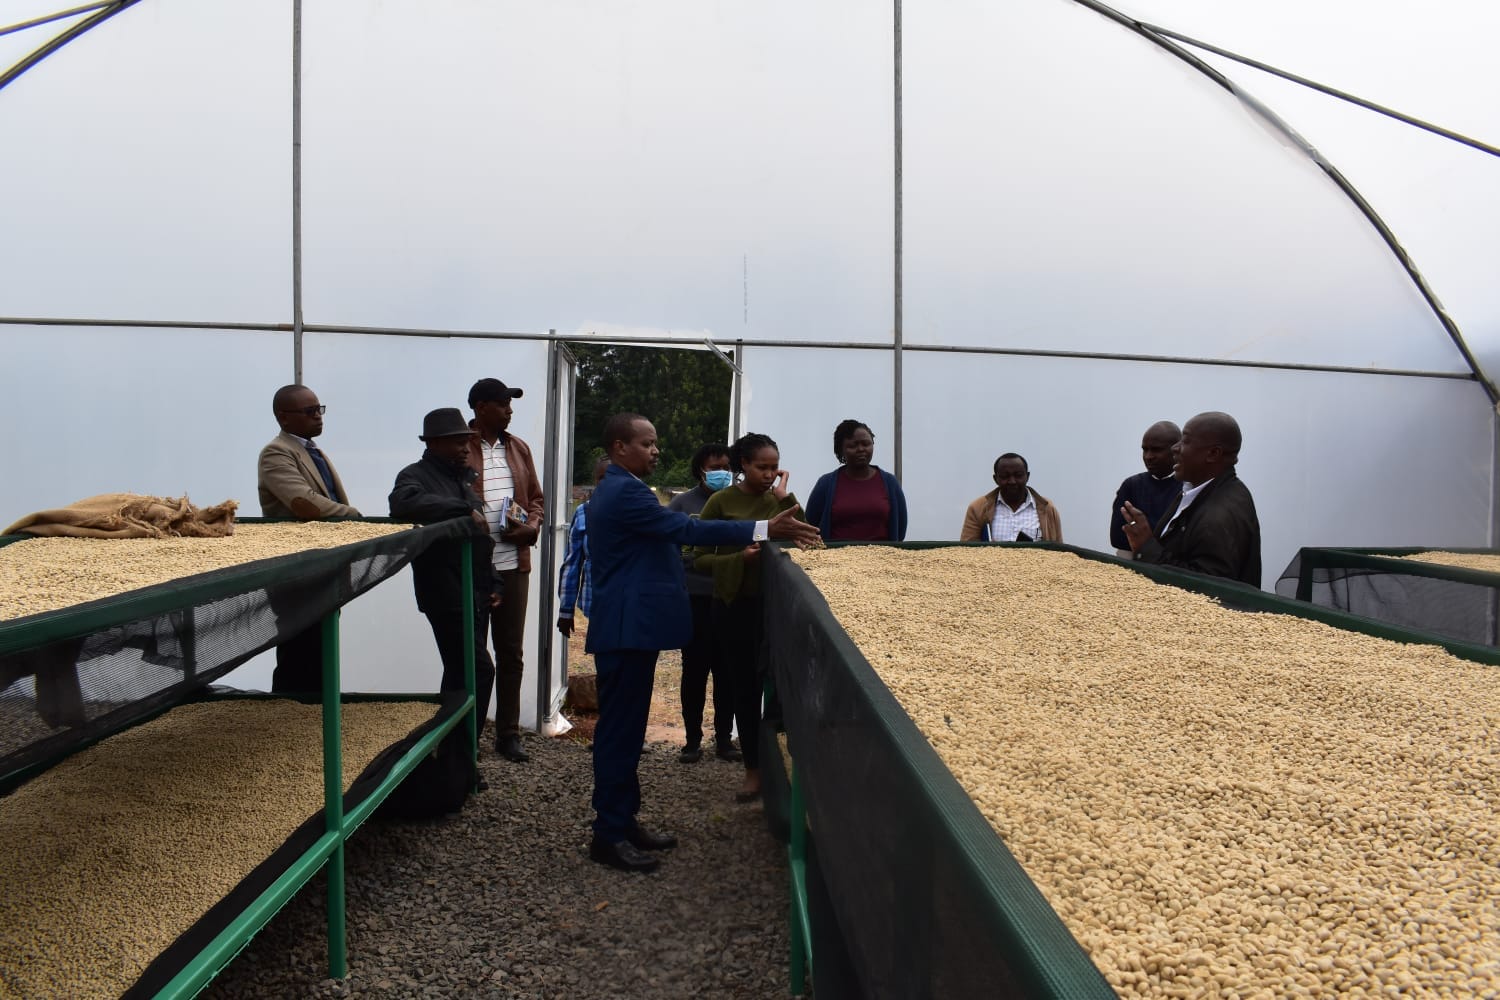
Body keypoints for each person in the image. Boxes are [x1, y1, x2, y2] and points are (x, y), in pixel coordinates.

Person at [586, 414, 820, 873]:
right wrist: (763, 528)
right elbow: (688, 531)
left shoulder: (621, 487)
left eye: (656, 443)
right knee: (619, 733)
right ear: (619, 448)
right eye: (647, 444)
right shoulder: (626, 491)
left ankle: (623, 820)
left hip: (631, 627)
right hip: (626, 628)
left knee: (629, 731)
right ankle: (608, 834)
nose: (656, 451)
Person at [692, 432, 805, 804]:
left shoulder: (779, 501)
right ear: (743, 465)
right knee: (744, 688)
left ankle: (783, 768)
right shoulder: (721, 502)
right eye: (762, 467)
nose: (769, 474)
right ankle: (753, 770)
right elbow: (695, 557)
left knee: (783, 688)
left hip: (777, 611)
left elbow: (808, 539)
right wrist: (738, 560)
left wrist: (785, 497)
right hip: (734, 608)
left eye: (775, 467)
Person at [388, 408, 502, 745]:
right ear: (434, 443)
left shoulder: (462, 477)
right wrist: (461, 510)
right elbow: (402, 503)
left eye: (467, 441)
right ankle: (462, 752)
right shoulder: (415, 476)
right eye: (458, 442)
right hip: (446, 592)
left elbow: (479, 538)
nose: (467, 448)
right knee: (480, 671)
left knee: (459, 676)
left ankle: (449, 757)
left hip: (475, 590)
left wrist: (495, 581)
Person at [257, 384, 361, 693]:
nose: (318, 417)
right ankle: (289, 720)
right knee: (298, 654)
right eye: (309, 411)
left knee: (319, 650)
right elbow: (303, 502)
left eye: (319, 409)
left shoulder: (310, 450)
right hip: (297, 572)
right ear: (284, 418)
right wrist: (354, 516)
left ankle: (315, 720)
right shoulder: (277, 453)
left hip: (322, 567)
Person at [465, 378, 544, 764]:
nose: (509, 410)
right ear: (480, 407)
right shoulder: (459, 447)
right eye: (501, 403)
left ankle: (508, 734)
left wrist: (531, 526)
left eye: (510, 404)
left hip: (514, 565)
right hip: (475, 568)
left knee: (511, 652)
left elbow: (537, 500)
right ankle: (469, 734)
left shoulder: (518, 448)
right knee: (475, 655)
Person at [1121, 411, 1262, 587]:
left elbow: (1208, 591)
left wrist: (1146, 548)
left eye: (1185, 441)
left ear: (1213, 454)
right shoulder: (1195, 489)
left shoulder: (1220, 515)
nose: (1175, 448)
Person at [667, 443, 737, 764]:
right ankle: (692, 740)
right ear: (701, 470)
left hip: (731, 597)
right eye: (715, 467)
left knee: (728, 672)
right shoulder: (682, 504)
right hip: (694, 598)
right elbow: (669, 550)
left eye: (727, 466)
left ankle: (724, 739)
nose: (723, 472)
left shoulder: (739, 502)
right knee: (694, 670)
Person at [804, 419, 909, 542]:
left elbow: (900, 528)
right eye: (853, 445)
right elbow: (809, 527)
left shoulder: (890, 483)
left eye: (866, 444)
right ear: (841, 450)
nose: (860, 449)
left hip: (881, 559)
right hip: (836, 559)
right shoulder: (826, 484)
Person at [1108, 421, 1182, 558]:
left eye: (1156, 450)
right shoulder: (1131, 486)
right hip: (1132, 557)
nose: (1148, 456)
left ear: (1176, 450)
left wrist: (1143, 533)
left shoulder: (1189, 489)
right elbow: (1117, 538)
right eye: (1145, 449)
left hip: (1174, 564)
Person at [556, 457, 611, 637]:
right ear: (596, 480)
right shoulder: (584, 512)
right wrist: (566, 609)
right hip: (596, 603)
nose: (607, 482)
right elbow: (572, 563)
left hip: (632, 606)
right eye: (602, 478)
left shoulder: (639, 511)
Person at [959, 453, 1063, 542]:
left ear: (1027, 476)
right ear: (996, 479)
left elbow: (1059, 552)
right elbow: (967, 550)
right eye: (1005, 476)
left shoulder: (1047, 508)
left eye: (1018, 475)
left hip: (1035, 566)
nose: (1012, 481)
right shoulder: (978, 508)